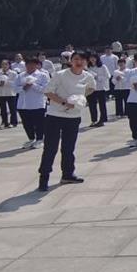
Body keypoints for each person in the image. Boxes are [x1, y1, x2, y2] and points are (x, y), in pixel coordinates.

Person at [38, 51, 94, 190]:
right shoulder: (61, 74)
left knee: (68, 148)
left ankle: (67, 174)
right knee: (50, 148)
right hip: (55, 116)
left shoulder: (88, 76)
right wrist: (64, 102)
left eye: (81, 60)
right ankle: (44, 177)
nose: (78, 62)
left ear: (86, 62)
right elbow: (48, 92)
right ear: (71, 60)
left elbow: (91, 89)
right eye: (75, 59)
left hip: (74, 117)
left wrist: (79, 99)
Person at [15, 57, 49, 149]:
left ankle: (40, 139)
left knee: (39, 123)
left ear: (37, 65)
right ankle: (31, 138)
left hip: (37, 103)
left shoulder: (42, 75)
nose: (30, 66)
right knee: (26, 123)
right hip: (23, 104)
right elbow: (15, 88)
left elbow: (45, 89)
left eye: (33, 64)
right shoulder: (20, 75)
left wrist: (32, 85)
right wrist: (23, 88)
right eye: (28, 64)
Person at [0, 58, 19, 128]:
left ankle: (13, 122)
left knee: (12, 109)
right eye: (2, 64)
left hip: (11, 93)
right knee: (3, 109)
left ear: (9, 65)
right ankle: (4, 122)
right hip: (1, 94)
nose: (4, 66)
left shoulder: (13, 73)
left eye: (6, 64)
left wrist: (6, 81)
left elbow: (15, 83)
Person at [87, 53, 110, 127]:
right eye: (91, 58)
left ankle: (102, 119)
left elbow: (108, 76)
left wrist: (97, 77)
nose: (92, 59)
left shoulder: (102, 66)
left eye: (94, 57)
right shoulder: (88, 67)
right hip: (91, 88)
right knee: (92, 105)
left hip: (100, 88)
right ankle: (94, 120)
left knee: (102, 105)